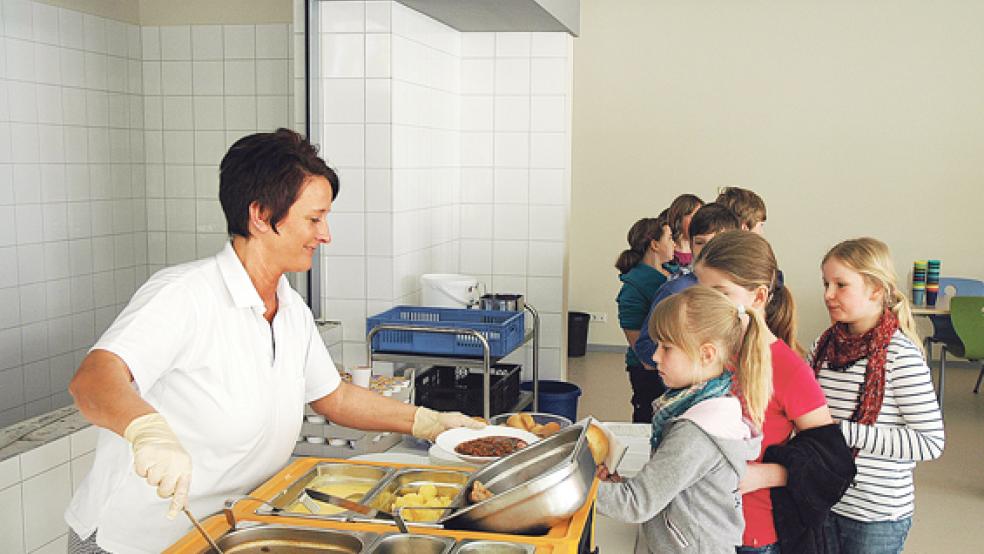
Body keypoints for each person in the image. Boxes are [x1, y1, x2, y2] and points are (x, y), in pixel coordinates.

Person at [63, 129, 483, 553]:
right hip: (133, 542)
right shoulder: (185, 295)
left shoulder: (290, 307)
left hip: (224, 530)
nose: (325, 235)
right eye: (314, 219)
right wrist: (147, 431)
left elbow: (334, 397)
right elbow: (93, 380)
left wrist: (429, 422)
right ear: (261, 216)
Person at [596, 286, 769, 553]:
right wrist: (618, 486)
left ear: (707, 354)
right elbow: (670, 488)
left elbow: (636, 504)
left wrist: (574, 490)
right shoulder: (711, 404)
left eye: (666, 348)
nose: (655, 356)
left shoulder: (696, 433)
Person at [692, 231, 834, 553]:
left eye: (720, 293)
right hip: (699, 523)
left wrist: (769, 474)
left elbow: (829, 461)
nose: (707, 305)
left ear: (757, 297)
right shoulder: (707, 353)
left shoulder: (787, 368)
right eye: (701, 292)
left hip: (749, 532)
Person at [812, 238, 945, 554]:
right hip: (826, 500)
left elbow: (930, 442)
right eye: (826, 284)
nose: (828, 294)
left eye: (841, 285)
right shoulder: (823, 345)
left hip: (875, 517)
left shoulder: (900, 355)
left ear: (875, 289)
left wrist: (842, 432)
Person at [633, 203, 741, 368]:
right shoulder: (675, 290)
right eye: (700, 242)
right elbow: (645, 345)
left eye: (716, 242)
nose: (708, 250)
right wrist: (684, 353)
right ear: (690, 244)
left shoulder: (744, 289)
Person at [615, 216, 675, 422]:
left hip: (670, 365)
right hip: (648, 371)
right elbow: (641, 350)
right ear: (654, 245)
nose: (675, 244)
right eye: (670, 238)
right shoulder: (632, 290)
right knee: (648, 420)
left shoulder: (672, 275)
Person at [666, 194, 703, 267]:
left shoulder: (703, 250)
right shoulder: (666, 250)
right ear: (679, 218)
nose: (699, 222)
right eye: (694, 217)